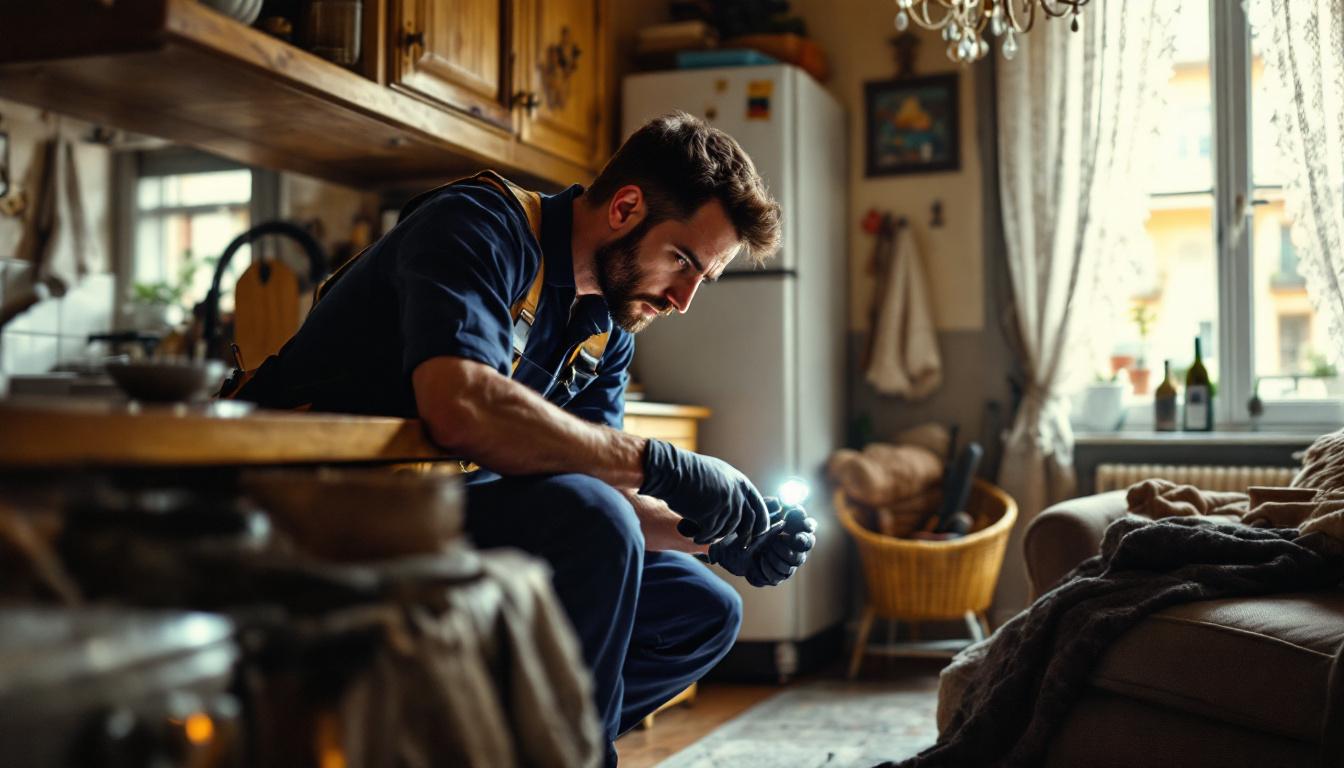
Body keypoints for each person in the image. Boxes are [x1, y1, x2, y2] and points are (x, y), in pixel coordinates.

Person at [233, 112, 818, 764]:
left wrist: (722, 534)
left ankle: (513, 749)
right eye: (681, 260)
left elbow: (600, 485)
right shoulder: (479, 225)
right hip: (316, 513)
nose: (682, 298)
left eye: (700, 279)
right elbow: (459, 405)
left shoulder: (607, 328)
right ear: (626, 207)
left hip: (440, 516)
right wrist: (662, 464)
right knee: (591, 521)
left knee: (702, 609)